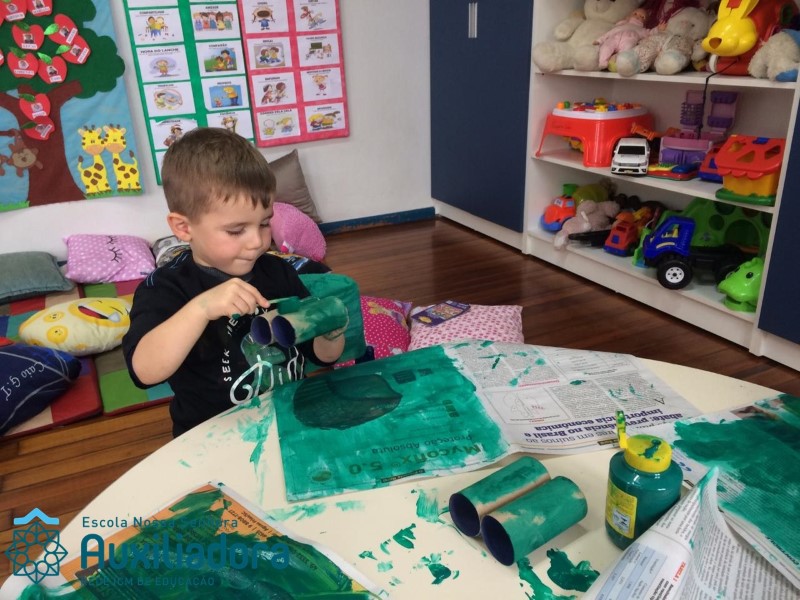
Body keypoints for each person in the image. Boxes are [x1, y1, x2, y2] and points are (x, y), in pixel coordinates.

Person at [123, 128, 345, 437]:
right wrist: (201, 308)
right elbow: (144, 371)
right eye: (236, 230)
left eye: (264, 223)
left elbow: (320, 356)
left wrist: (331, 332)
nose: (258, 241)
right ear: (184, 227)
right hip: (212, 437)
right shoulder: (165, 288)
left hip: (290, 422)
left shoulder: (278, 271)